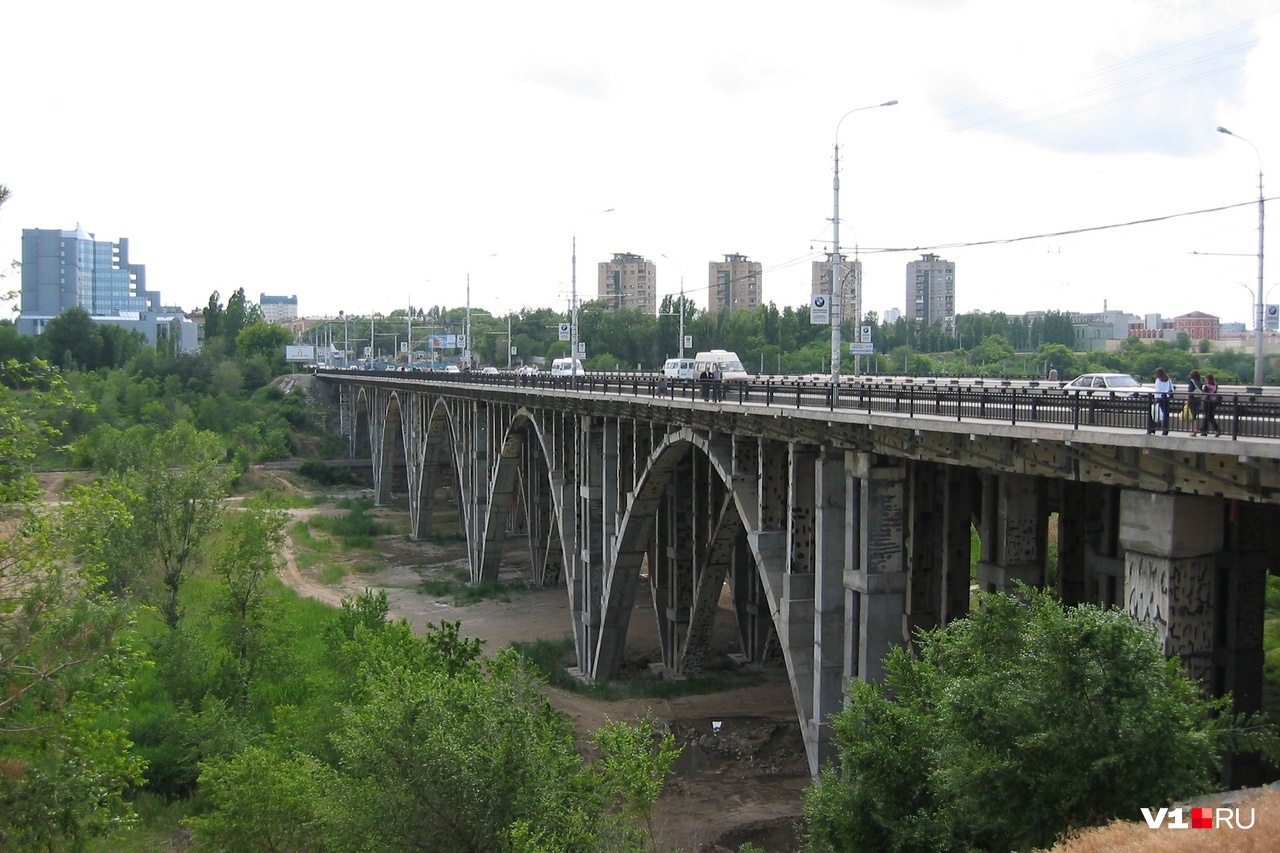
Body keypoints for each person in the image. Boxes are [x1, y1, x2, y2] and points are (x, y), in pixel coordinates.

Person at [1153, 367, 1174, 435]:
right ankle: (1165, 429)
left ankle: (1153, 428)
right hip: (1166, 398)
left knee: (1156, 414)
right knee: (1165, 414)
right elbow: (1171, 389)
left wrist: (1156, 399)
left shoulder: (1158, 380)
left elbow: (1157, 390)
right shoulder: (1168, 379)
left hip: (1160, 398)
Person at [1201, 372, 1223, 437]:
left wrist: (1202, 402)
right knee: (1209, 417)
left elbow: (1204, 395)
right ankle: (1204, 430)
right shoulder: (1215, 386)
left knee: (1208, 416)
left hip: (1207, 402)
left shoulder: (1206, 386)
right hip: (1214, 403)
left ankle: (1205, 430)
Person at [1186, 369, 1204, 436]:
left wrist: (1187, 400)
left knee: (1192, 416)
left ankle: (1193, 430)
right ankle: (1194, 430)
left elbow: (1190, 392)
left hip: (1192, 400)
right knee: (1195, 415)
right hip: (1198, 400)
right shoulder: (1200, 382)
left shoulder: (1191, 382)